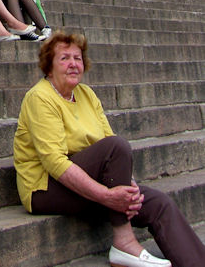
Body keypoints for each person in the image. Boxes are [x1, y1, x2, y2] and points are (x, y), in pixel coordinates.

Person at [14, 31, 205, 267]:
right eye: (64, 58)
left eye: (77, 58)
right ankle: (124, 240)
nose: (73, 64)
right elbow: (55, 162)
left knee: (158, 203)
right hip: (44, 188)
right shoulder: (40, 97)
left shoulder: (86, 94)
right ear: (49, 66)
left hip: (86, 178)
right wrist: (108, 197)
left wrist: (129, 188)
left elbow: (109, 139)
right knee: (115, 147)